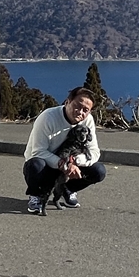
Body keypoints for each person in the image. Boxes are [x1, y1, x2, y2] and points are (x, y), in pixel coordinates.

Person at [23, 86, 107, 214]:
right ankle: (36, 195)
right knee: (35, 164)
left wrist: (77, 162)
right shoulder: (48, 117)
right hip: (46, 163)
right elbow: (38, 152)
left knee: (99, 171)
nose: (80, 112)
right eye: (77, 106)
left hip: (72, 162)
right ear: (67, 102)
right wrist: (65, 165)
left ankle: (66, 190)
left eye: (86, 110)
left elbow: (94, 152)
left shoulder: (87, 121)